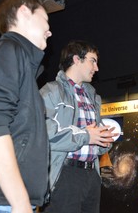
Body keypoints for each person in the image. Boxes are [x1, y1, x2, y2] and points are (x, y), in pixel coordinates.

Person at [0, 0, 52, 213]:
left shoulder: (20, 61)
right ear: (24, 12)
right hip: (2, 203)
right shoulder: (7, 50)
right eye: (46, 20)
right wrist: (20, 201)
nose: (49, 31)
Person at [39, 40, 117, 213]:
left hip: (92, 175)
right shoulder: (51, 91)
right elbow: (44, 133)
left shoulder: (93, 97)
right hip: (64, 174)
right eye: (92, 60)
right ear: (76, 59)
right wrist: (86, 136)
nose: (96, 68)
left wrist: (104, 140)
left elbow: (93, 136)